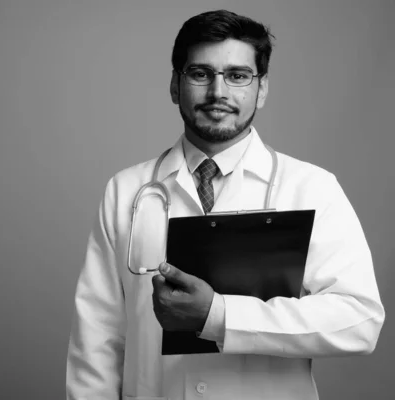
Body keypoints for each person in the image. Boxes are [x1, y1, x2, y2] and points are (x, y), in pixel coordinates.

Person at [66, 9, 384, 400]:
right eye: (201, 74)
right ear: (174, 85)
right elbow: (96, 341)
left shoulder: (313, 188)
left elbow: (359, 321)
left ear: (261, 89)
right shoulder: (127, 190)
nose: (218, 92)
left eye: (237, 76)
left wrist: (219, 317)